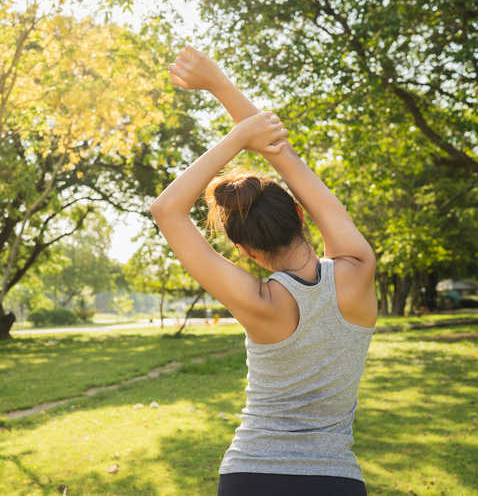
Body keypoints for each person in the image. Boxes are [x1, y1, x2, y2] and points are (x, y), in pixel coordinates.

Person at [150, 46, 378, 496]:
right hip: (335, 481)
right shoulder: (358, 270)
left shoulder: (259, 303)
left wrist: (236, 138)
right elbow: (284, 157)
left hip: (250, 475)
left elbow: (166, 210)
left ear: (247, 252)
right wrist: (221, 86)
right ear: (299, 212)